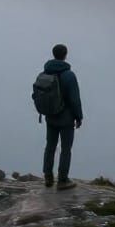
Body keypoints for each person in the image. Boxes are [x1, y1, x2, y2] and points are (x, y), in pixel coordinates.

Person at [40, 43, 83, 189]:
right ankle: (62, 180)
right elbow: (74, 99)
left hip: (50, 116)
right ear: (65, 55)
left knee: (50, 146)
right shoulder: (69, 75)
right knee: (66, 148)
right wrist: (79, 117)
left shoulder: (45, 73)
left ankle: (48, 177)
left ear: (54, 54)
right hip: (66, 119)